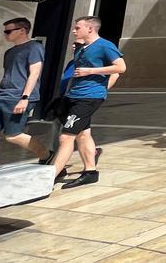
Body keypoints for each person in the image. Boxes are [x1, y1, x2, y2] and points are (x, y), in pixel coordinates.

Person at [51, 16, 125, 188]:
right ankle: (90, 172)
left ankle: (50, 177)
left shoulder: (105, 46)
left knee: (65, 136)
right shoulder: (81, 47)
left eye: (77, 27)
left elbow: (121, 67)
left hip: (89, 97)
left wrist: (91, 71)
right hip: (74, 95)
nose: (74, 31)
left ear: (90, 29)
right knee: (83, 134)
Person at [0, 18, 49, 169]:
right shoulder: (9, 52)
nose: (5, 34)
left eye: (8, 31)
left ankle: (47, 155)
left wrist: (25, 98)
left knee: (13, 135)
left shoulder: (34, 47)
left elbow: (34, 73)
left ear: (22, 31)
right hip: (0, 96)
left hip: (18, 97)